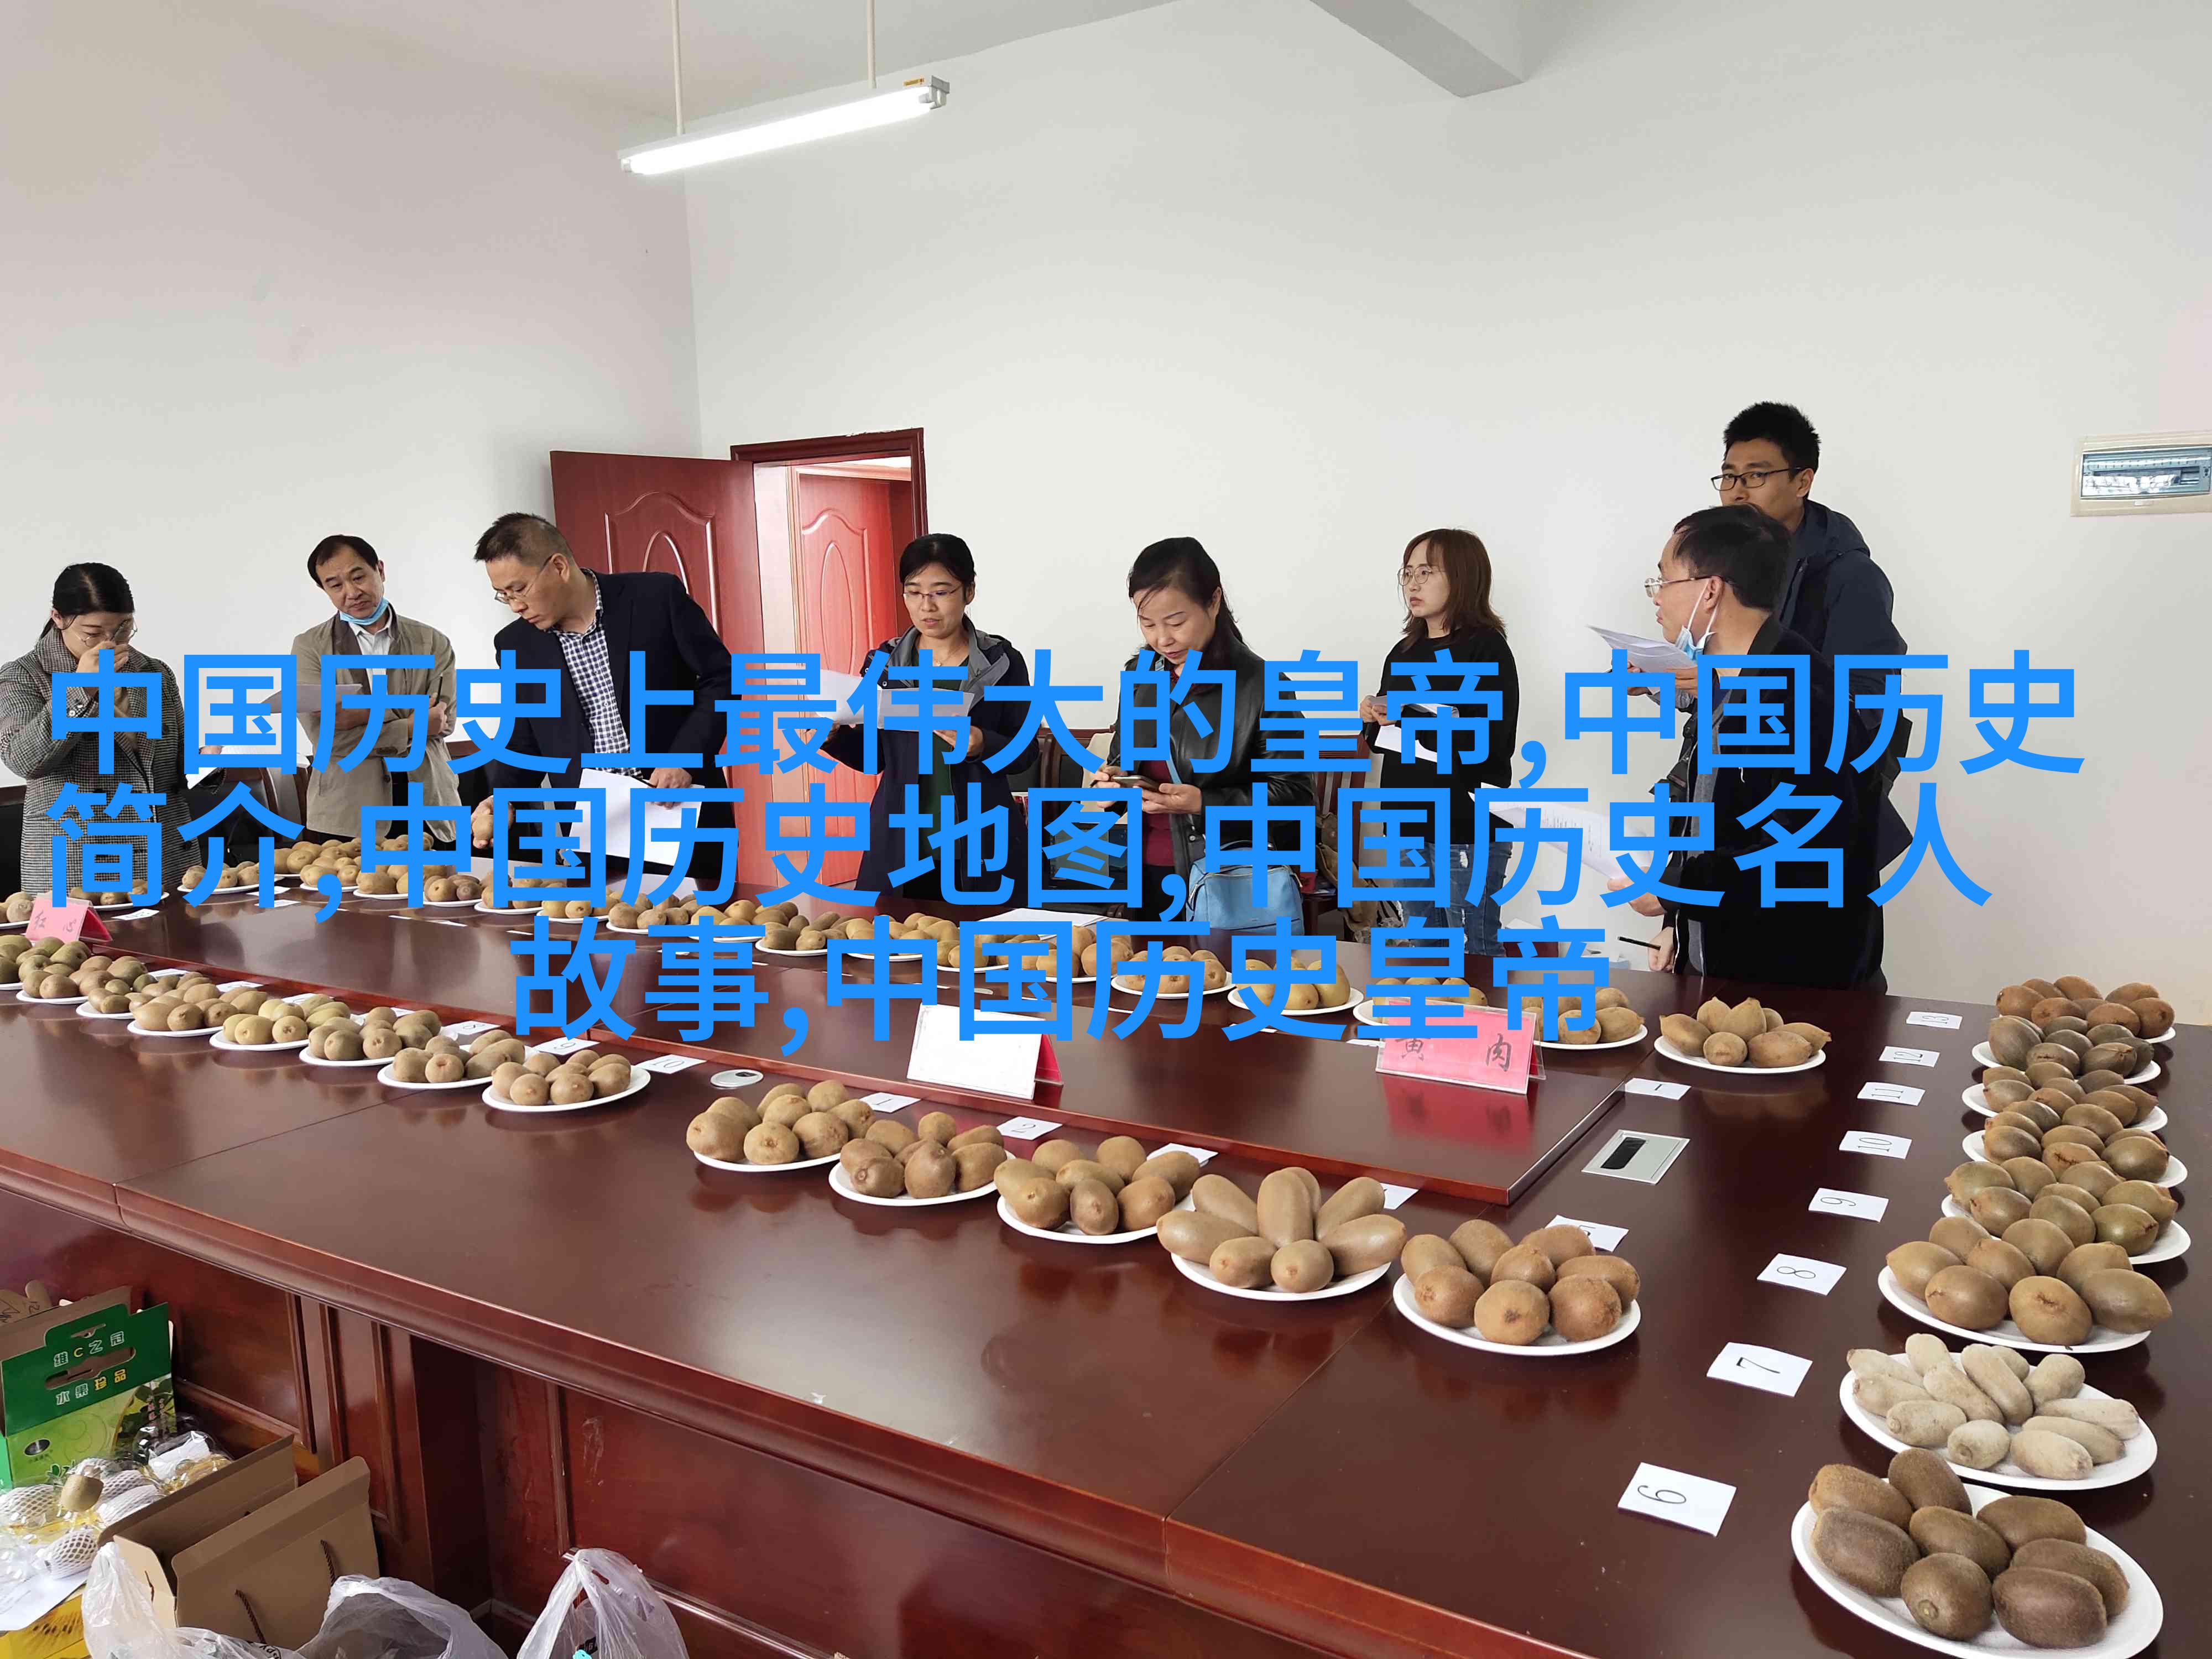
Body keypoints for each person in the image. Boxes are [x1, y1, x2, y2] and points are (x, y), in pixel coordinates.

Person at [1623, 507, 1884, 990]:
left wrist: (1674, 890)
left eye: (1664, 580)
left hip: (1796, 981)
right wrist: (1678, 922)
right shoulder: (1730, 681)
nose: (1656, 596)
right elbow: (1716, 818)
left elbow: (1801, 851)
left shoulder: (1796, 691)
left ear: (1710, 590)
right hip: (1729, 963)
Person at [471, 513, 733, 884]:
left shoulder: (656, 597)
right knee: (602, 922)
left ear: (558, 566)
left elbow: (721, 678)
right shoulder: (516, 644)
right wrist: (505, 799)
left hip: (679, 809)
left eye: (519, 589)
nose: (515, 606)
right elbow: (524, 736)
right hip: (593, 830)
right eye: (504, 595)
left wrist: (684, 757)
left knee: (697, 918)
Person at [1089, 537, 1313, 938]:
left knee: (1225, 980)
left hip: (1229, 882)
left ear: (1213, 601)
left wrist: (1204, 803)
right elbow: (1124, 763)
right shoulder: (1141, 677)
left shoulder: (1263, 685)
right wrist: (1111, 787)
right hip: (1146, 877)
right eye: (1148, 624)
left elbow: (1295, 796)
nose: (1162, 639)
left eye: (1176, 622)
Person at [821, 534, 1035, 898]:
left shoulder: (1002, 662)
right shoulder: (884, 664)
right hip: (901, 843)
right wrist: (835, 737)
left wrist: (982, 743)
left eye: (941, 592)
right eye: (914, 592)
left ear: (969, 592)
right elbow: (876, 757)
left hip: (981, 842)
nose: (927, 607)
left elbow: (1026, 752)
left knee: (982, 935)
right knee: (896, 933)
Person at [1359, 529, 1520, 962]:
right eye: (1407, 573)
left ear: (1464, 577)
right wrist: (1373, 717)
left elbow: (1488, 740)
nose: (1412, 584)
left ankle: (1487, 1013)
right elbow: (1386, 742)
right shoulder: (1403, 652)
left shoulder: (1486, 649)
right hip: (1406, 820)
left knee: (1474, 952)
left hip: (1465, 825)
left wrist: (1408, 715)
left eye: (1426, 573)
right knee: (1424, 951)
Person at [0, 564, 192, 900]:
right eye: (93, 632)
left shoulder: (154, 671)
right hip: (79, 864)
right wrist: (81, 689)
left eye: (123, 629)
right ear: (58, 618)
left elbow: (172, 764)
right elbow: (24, 760)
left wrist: (206, 762)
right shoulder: (23, 676)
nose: (110, 643)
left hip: (166, 858)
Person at [290, 535, 462, 846]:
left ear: (380, 570)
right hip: (348, 812)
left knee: (443, 879)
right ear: (323, 589)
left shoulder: (432, 641)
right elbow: (327, 738)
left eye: (358, 577)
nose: (352, 592)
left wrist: (364, 713)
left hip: (429, 803)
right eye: (335, 585)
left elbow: (442, 722)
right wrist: (411, 724)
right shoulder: (309, 648)